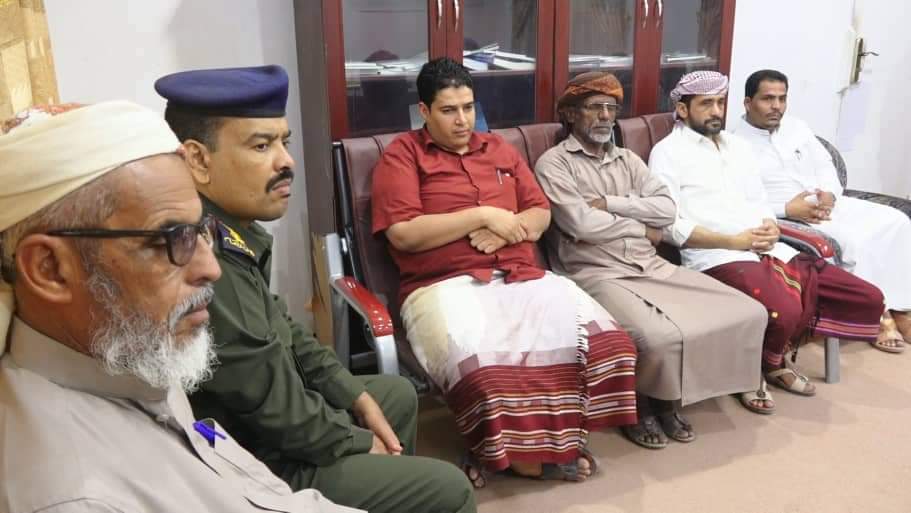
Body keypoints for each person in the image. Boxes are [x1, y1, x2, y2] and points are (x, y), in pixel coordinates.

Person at [0, 101, 361, 512]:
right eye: (169, 240)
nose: (210, 268)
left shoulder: (131, 356)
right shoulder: (80, 497)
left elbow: (246, 484)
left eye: (199, 231)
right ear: (49, 269)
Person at [155, 65, 474, 513]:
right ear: (198, 160)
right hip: (254, 459)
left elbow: (285, 329)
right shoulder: (206, 257)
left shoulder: (231, 230)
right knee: (450, 489)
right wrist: (356, 441)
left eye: (283, 143)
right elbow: (274, 408)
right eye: (261, 145)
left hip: (271, 427)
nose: (286, 161)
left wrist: (354, 395)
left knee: (392, 395)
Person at [371, 57, 638, 488]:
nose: (462, 120)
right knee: (485, 369)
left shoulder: (499, 149)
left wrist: (503, 231)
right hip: (443, 285)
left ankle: (553, 440)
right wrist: (483, 215)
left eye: (468, 107)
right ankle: (516, 454)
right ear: (424, 111)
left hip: (520, 275)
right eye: (448, 110)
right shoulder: (402, 155)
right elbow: (403, 234)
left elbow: (539, 213)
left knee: (611, 344)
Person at [535, 71, 770, 444]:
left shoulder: (628, 160)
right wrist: (642, 229)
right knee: (657, 337)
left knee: (748, 311)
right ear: (570, 114)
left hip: (651, 265)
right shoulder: (554, 164)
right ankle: (646, 405)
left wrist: (613, 204)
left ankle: (678, 392)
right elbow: (581, 225)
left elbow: (666, 209)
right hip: (596, 271)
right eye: (594, 107)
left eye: (611, 108)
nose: (605, 116)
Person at [649, 71, 886, 403]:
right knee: (784, 311)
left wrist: (771, 226)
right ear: (683, 109)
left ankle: (772, 353)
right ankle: (763, 367)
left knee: (867, 297)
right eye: (706, 104)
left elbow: (759, 200)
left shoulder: (737, 147)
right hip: (716, 255)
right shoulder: (667, 153)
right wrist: (735, 242)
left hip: (770, 248)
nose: (716, 111)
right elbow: (669, 225)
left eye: (720, 103)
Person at [731, 69, 911, 353]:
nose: (776, 106)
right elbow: (738, 197)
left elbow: (826, 166)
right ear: (747, 102)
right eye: (767, 99)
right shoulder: (733, 143)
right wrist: (787, 208)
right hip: (788, 215)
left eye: (782, 98)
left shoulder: (797, 128)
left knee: (897, 221)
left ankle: (901, 306)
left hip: (830, 206)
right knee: (854, 241)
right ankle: (878, 316)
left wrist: (830, 194)